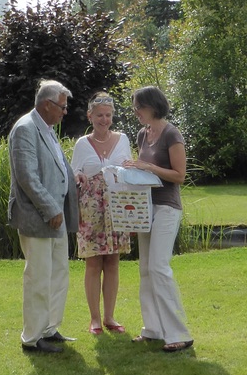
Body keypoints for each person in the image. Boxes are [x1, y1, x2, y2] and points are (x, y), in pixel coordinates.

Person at [7, 80, 79, 354]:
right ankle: (32, 337)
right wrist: (50, 209)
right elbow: (27, 176)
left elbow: (55, 168)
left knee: (59, 274)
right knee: (38, 277)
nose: (65, 111)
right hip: (39, 216)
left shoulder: (47, 129)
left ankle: (49, 328)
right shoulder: (25, 128)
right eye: (62, 106)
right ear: (47, 105)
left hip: (56, 216)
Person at [124, 85, 194, 352]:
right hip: (145, 208)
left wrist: (148, 167)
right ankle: (152, 329)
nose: (136, 112)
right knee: (145, 269)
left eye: (139, 107)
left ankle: (179, 333)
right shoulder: (143, 134)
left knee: (158, 267)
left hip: (167, 207)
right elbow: (143, 172)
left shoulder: (171, 134)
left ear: (153, 106)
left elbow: (179, 175)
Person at [70, 92, 132, 335]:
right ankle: (95, 319)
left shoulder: (123, 139)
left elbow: (130, 170)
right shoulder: (82, 144)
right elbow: (74, 173)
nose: (104, 120)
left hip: (117, 206)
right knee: (94, 262)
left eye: (108, 115)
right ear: (90, 116)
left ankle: (110, 316)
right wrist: (78, 176)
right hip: (91, 209)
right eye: (99, 115)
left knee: (113, 261)